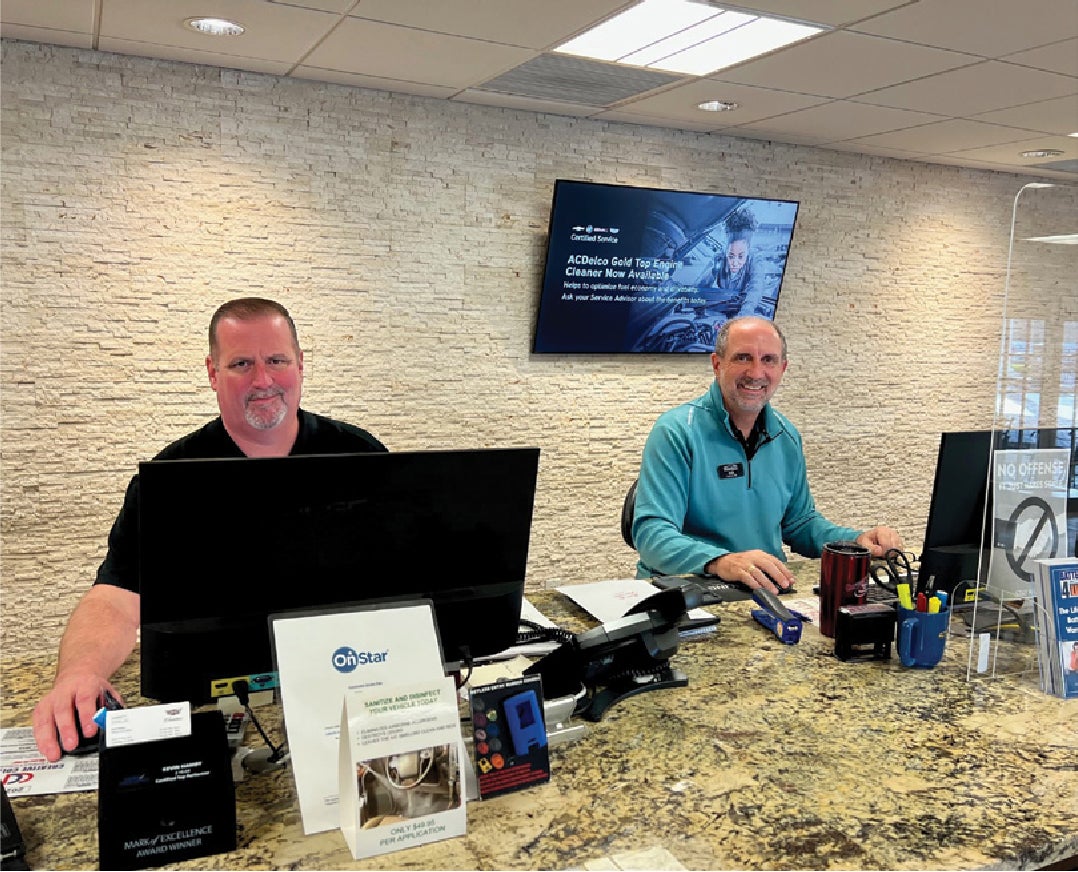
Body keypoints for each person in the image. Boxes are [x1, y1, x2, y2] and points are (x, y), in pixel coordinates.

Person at [31, 297, 386, 761]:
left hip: (345, 696)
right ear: (213, 373)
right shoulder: (169, 480)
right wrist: (79, 673)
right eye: (241, 363)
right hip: (214, 714)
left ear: (300, 365)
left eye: (276, 360)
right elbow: (116, 600)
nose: (263, 380)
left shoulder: (362, 458)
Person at [632, 315, 903, 592]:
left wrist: (856, 542)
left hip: (764, 589)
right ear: (717, 364)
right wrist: (721, 561)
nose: (756, 372)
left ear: (783, 368)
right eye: (743, 358)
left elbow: (800, 524)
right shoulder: (676, 431)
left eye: (768, 360)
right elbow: (652, 535)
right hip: (685, 593)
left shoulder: (786, 436)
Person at [712, 208, 768, 317]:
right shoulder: (720, 257)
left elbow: (756, 287)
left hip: (744, 311)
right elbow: (702, 284)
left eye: (743, 239)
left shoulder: (755, 259)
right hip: (722, 310)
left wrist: (745, 313)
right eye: (733, 239)